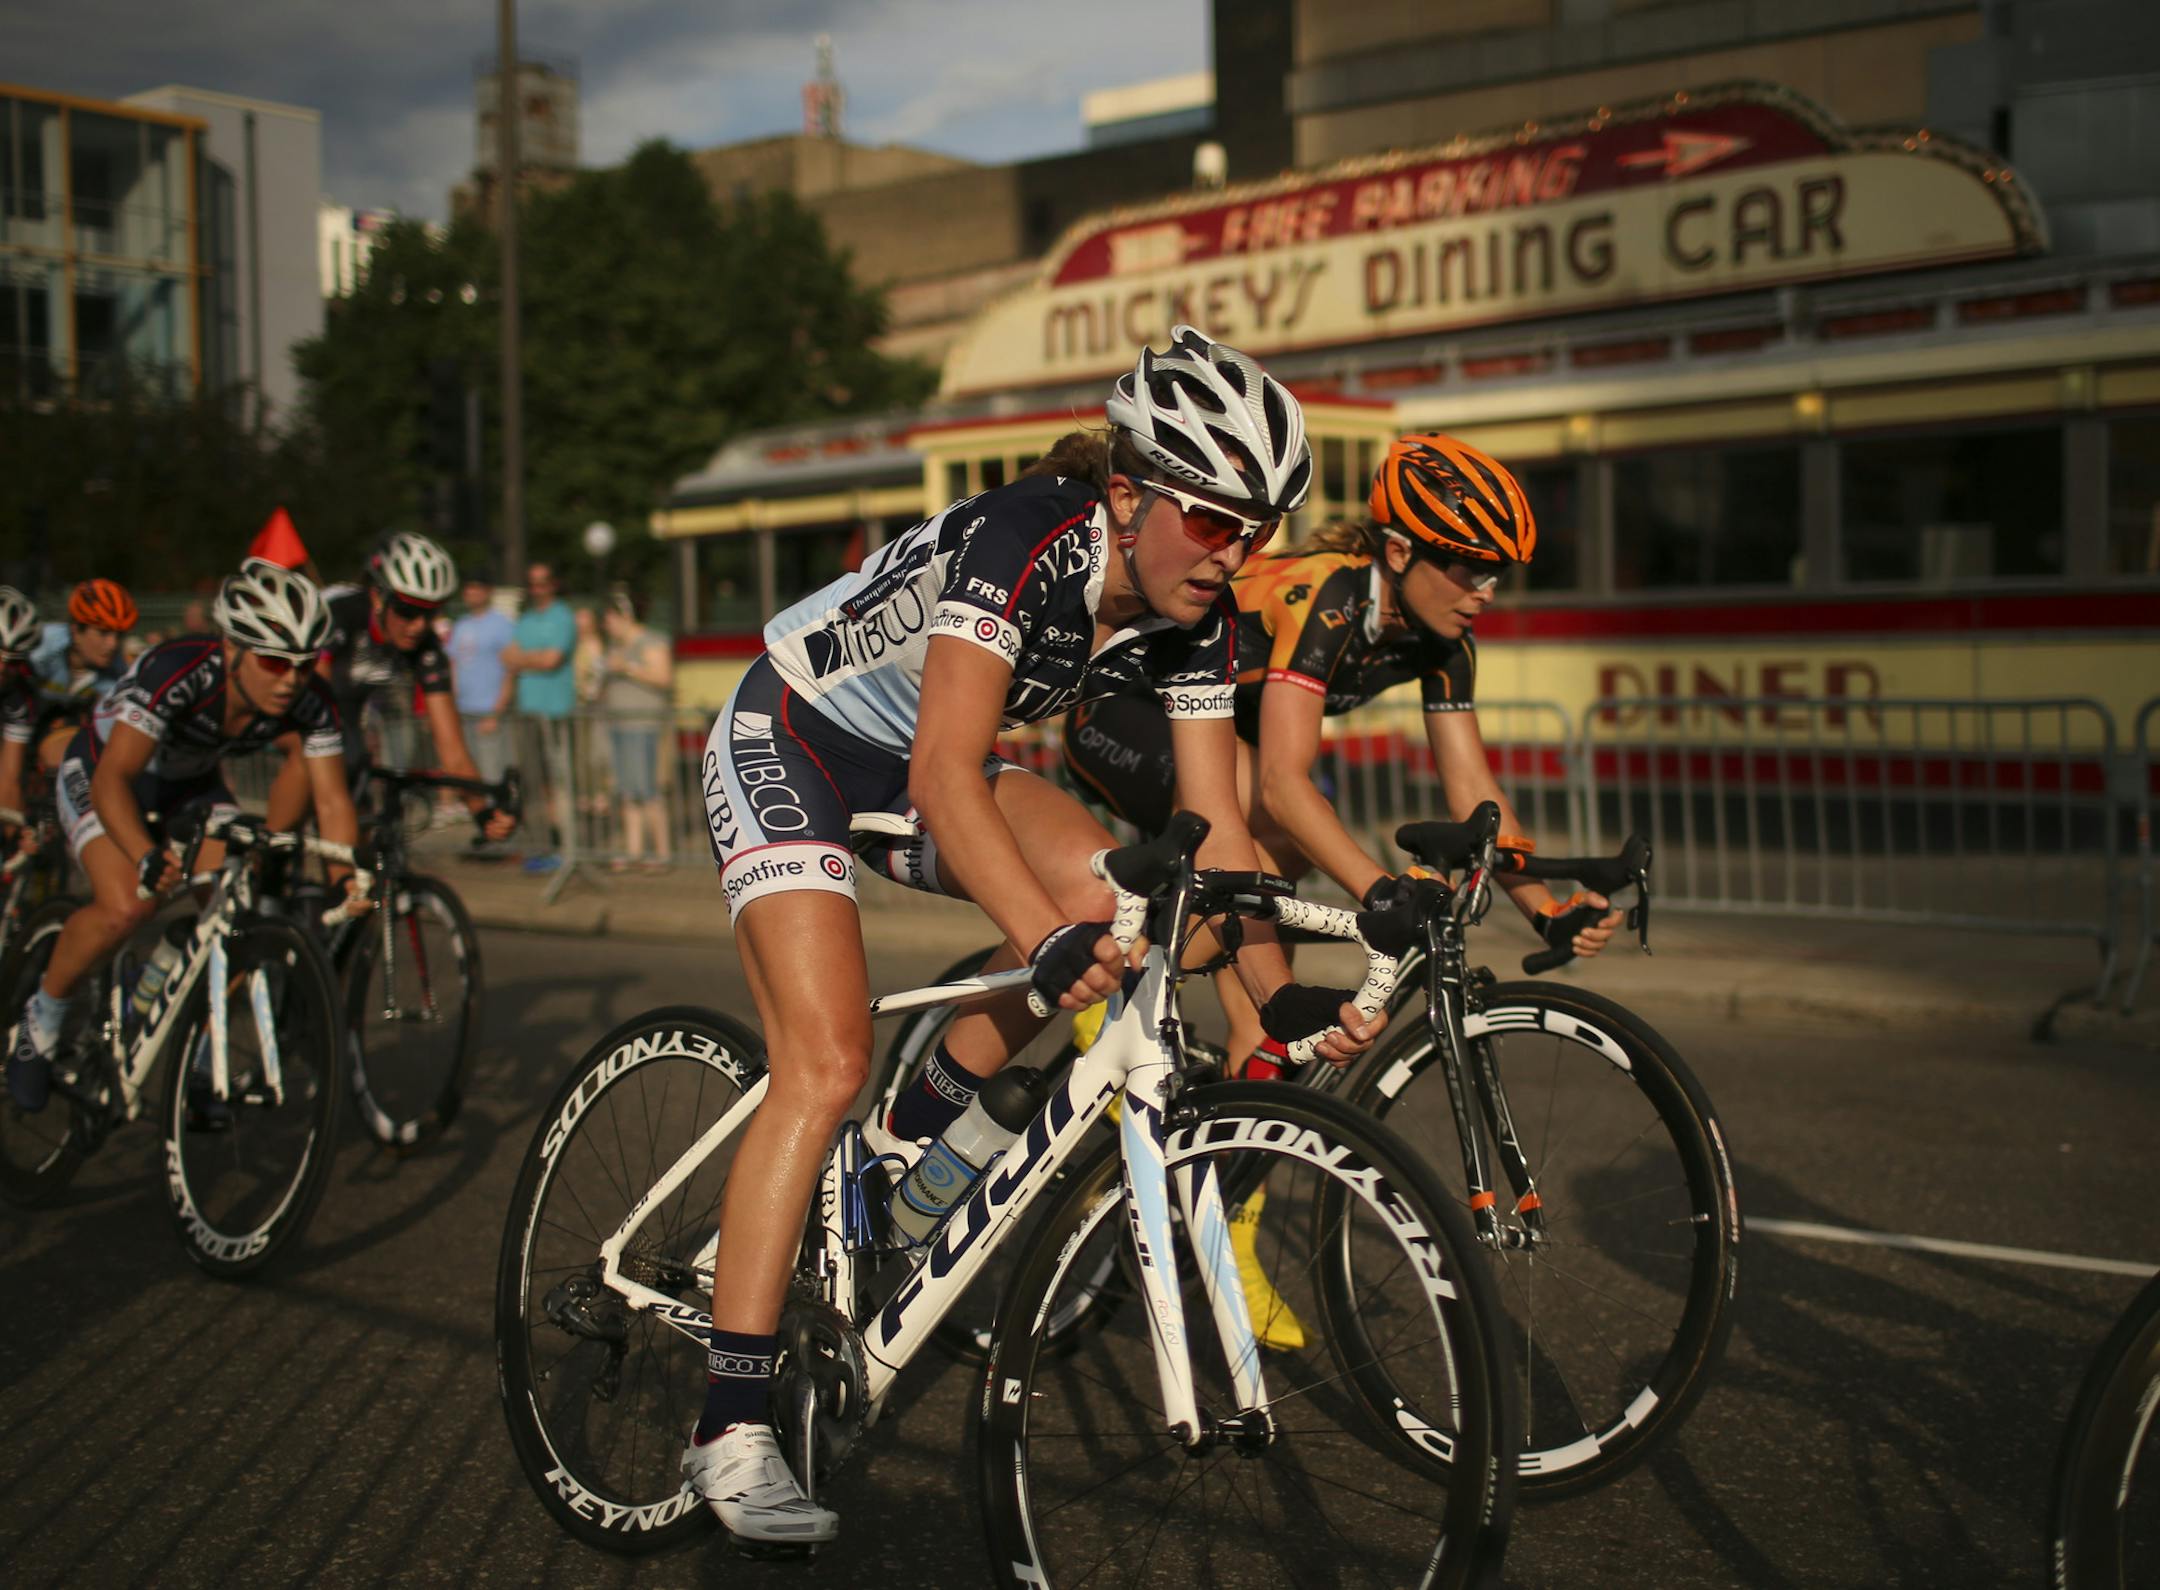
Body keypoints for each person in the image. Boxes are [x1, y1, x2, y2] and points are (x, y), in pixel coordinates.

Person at [685, 325, 1381, 1544]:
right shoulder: (1027, 537)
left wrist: (1281, 999)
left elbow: (1212, 832)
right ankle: (728, 1428)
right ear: (1129, 494)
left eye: (1257, 530)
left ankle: (899, 1157)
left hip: (906, 766)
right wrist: (1045, 948)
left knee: (1118, 894)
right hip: (792, 735)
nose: (1235, 557)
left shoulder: (1199, 620)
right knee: (828, 1057)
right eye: (1214, 522)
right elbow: (950, 773)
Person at [1064, 431, 1624, 1073]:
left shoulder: (1444, 641)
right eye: (1472, 570)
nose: (1486, 592)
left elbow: (1477, 794)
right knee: (1282, 827)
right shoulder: (1329, 594)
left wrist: (1545, 909)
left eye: (1497, 574)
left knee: (1265, 919)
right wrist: (1381, 891)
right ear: (1398, 551)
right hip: (1124, 713)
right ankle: (1122, 970)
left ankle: (1241, 1135)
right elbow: (1282, 782)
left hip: (1217, 736)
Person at [6, 562, 369, 1113]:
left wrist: (345, 884)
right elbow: (114, 780)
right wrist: (146, 856)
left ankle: (199, 1054)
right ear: (233, 648)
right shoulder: (177, 670)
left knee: (236, 914)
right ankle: (41, 1022)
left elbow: (332, 800)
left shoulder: (310, 700)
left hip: (190, 788)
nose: (291, 679)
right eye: (274, 660)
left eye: (304, 663)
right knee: (126, 905)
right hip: (106, 772)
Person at [318, 532, 516, 840]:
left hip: (348, 717)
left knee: (367, 838)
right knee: (346, 758)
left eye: (430, 612)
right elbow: (313, 701)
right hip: (300, 708)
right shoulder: (341, 615)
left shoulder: (426, 648)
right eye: (408, 611)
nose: (419, 625)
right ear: (377, 596)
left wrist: (482, 811)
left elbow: (452, 749)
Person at [498, 562, 576, 861]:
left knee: (560, 781)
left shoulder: (562, 616)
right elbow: (508, 656)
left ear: (553, 584)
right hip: (528, 712)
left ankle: (569, 846)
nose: (537, 588)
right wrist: (533, 658)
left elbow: (551, 660)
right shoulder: (526, 619)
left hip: (556, 713)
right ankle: (542, 844)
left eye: (543, 582)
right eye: (533, 583)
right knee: (531, 782)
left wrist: (523, 659)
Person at [597, 589, 673, 871]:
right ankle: (634, 851)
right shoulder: (614, 646)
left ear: (624, 616)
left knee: (649, 791)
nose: (607, 626)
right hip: (620, 724)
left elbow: (663, 678)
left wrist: (627, 668)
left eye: (610, 619)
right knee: (629, 792)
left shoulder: (651, 641)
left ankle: (662, 853)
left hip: (645, 726)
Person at [31, 578, 140, 774]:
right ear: (76, 629)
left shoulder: (117, 671)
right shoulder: (40, 647)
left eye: (119, 635)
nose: (112, 644)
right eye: (103, 633)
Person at [447, 575, 514, 783]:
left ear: (488, 591)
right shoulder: (460, 625)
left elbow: (510, 670)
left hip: (488, 710)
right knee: (466, 771)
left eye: (477, 588)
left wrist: (496, 711)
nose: (472, 593)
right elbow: (454, 667)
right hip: (463, 710)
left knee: (491, 772)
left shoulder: (501, 624)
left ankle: (496, 812)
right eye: (469, 588)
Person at [0, 587, 47, 855]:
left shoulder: (20, 697)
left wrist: (13, 839)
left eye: (13, 660)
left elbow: (8, 777)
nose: (2, 668)